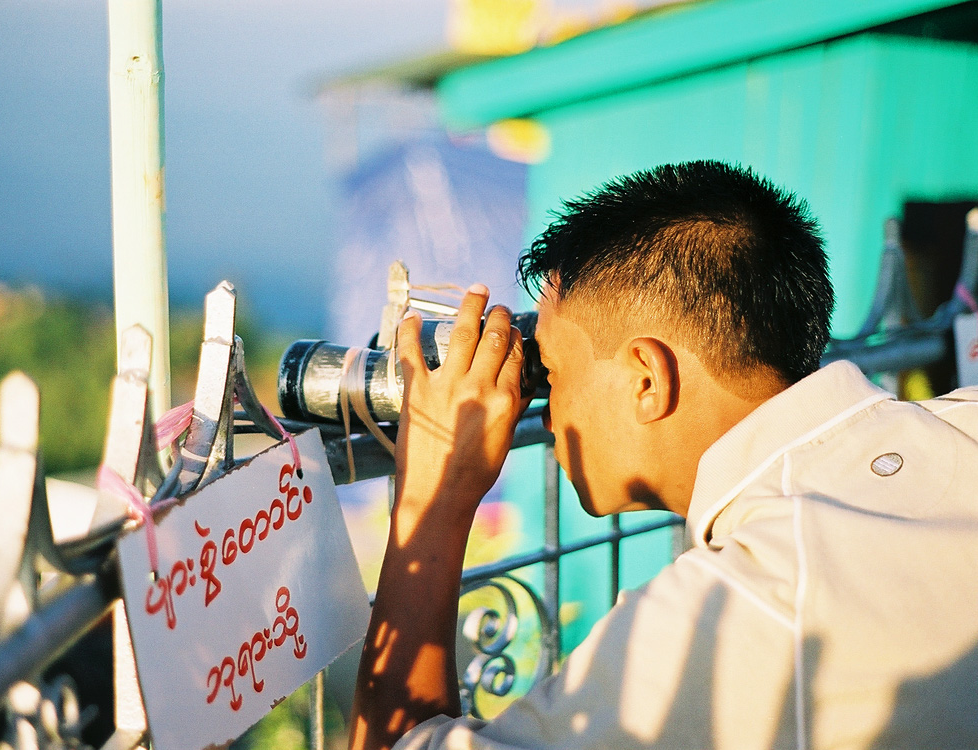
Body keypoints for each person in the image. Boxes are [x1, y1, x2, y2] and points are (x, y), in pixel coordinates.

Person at [348, 161, 978, 750]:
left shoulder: (735, 609)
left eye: (555, 373)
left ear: (647, 378)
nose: (542, 410)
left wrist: (434, 498)